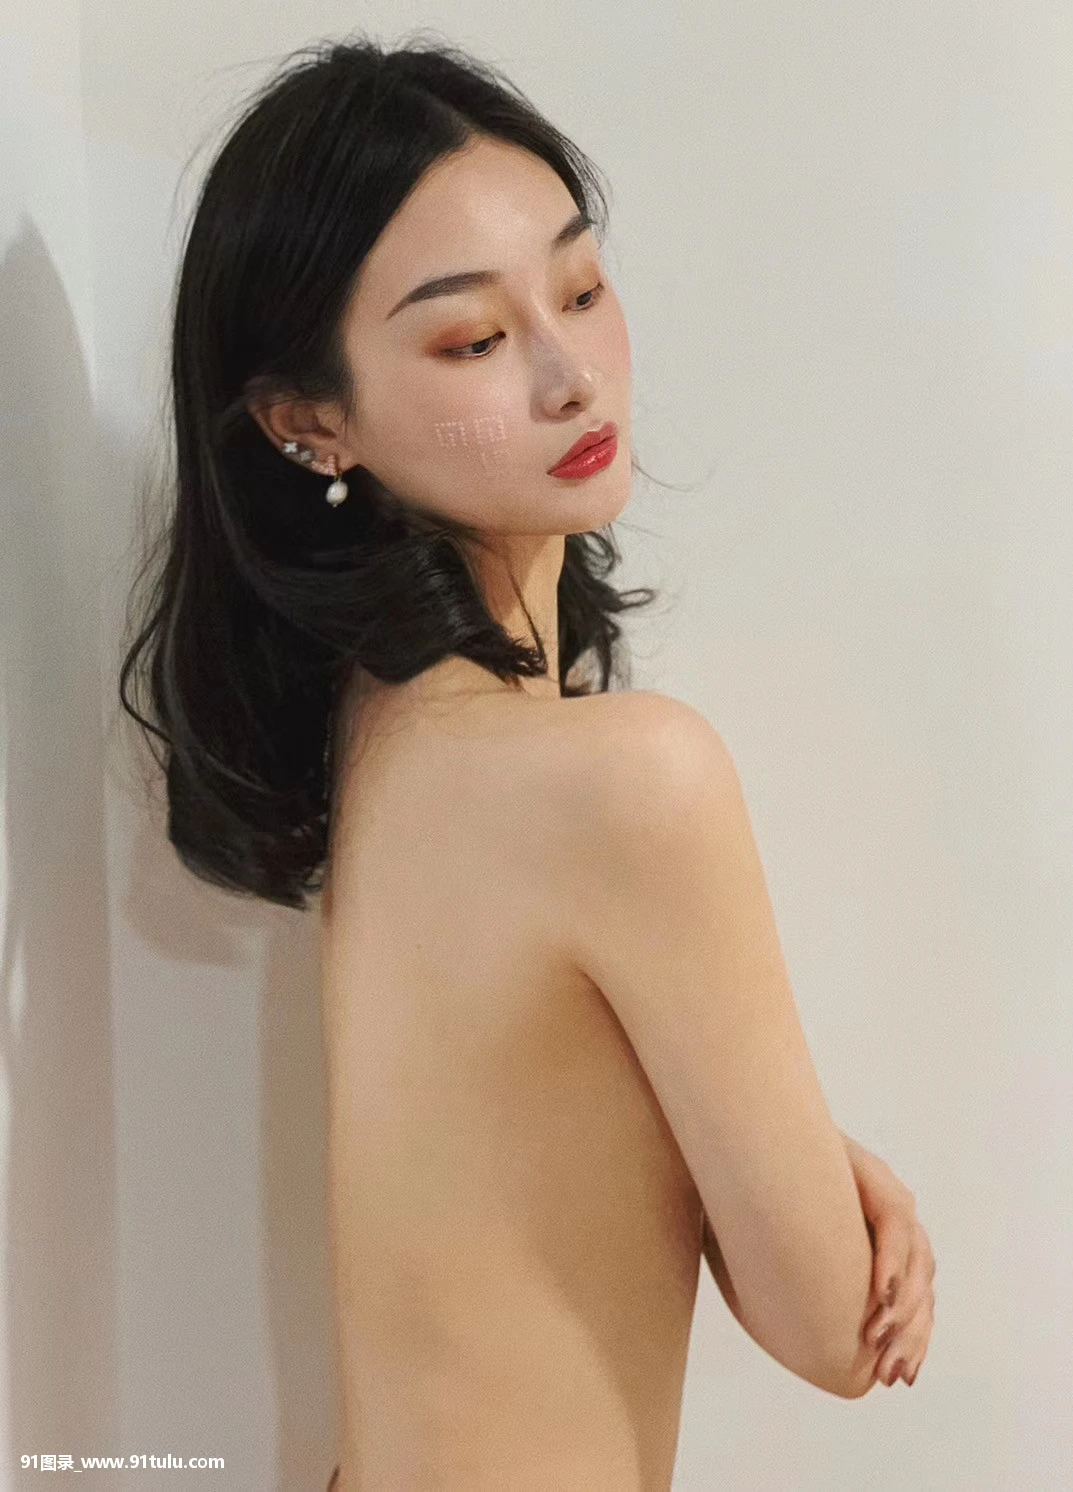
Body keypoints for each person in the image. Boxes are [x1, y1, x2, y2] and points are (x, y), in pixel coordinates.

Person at [119, 31, 935, 1491]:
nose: (571, 377)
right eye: (472, 341)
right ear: (308, 423)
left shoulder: (383, 735)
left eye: (580, 288)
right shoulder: (620, 780)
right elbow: (832, 1329)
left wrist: (778, 1155)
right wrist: (813, 1177)